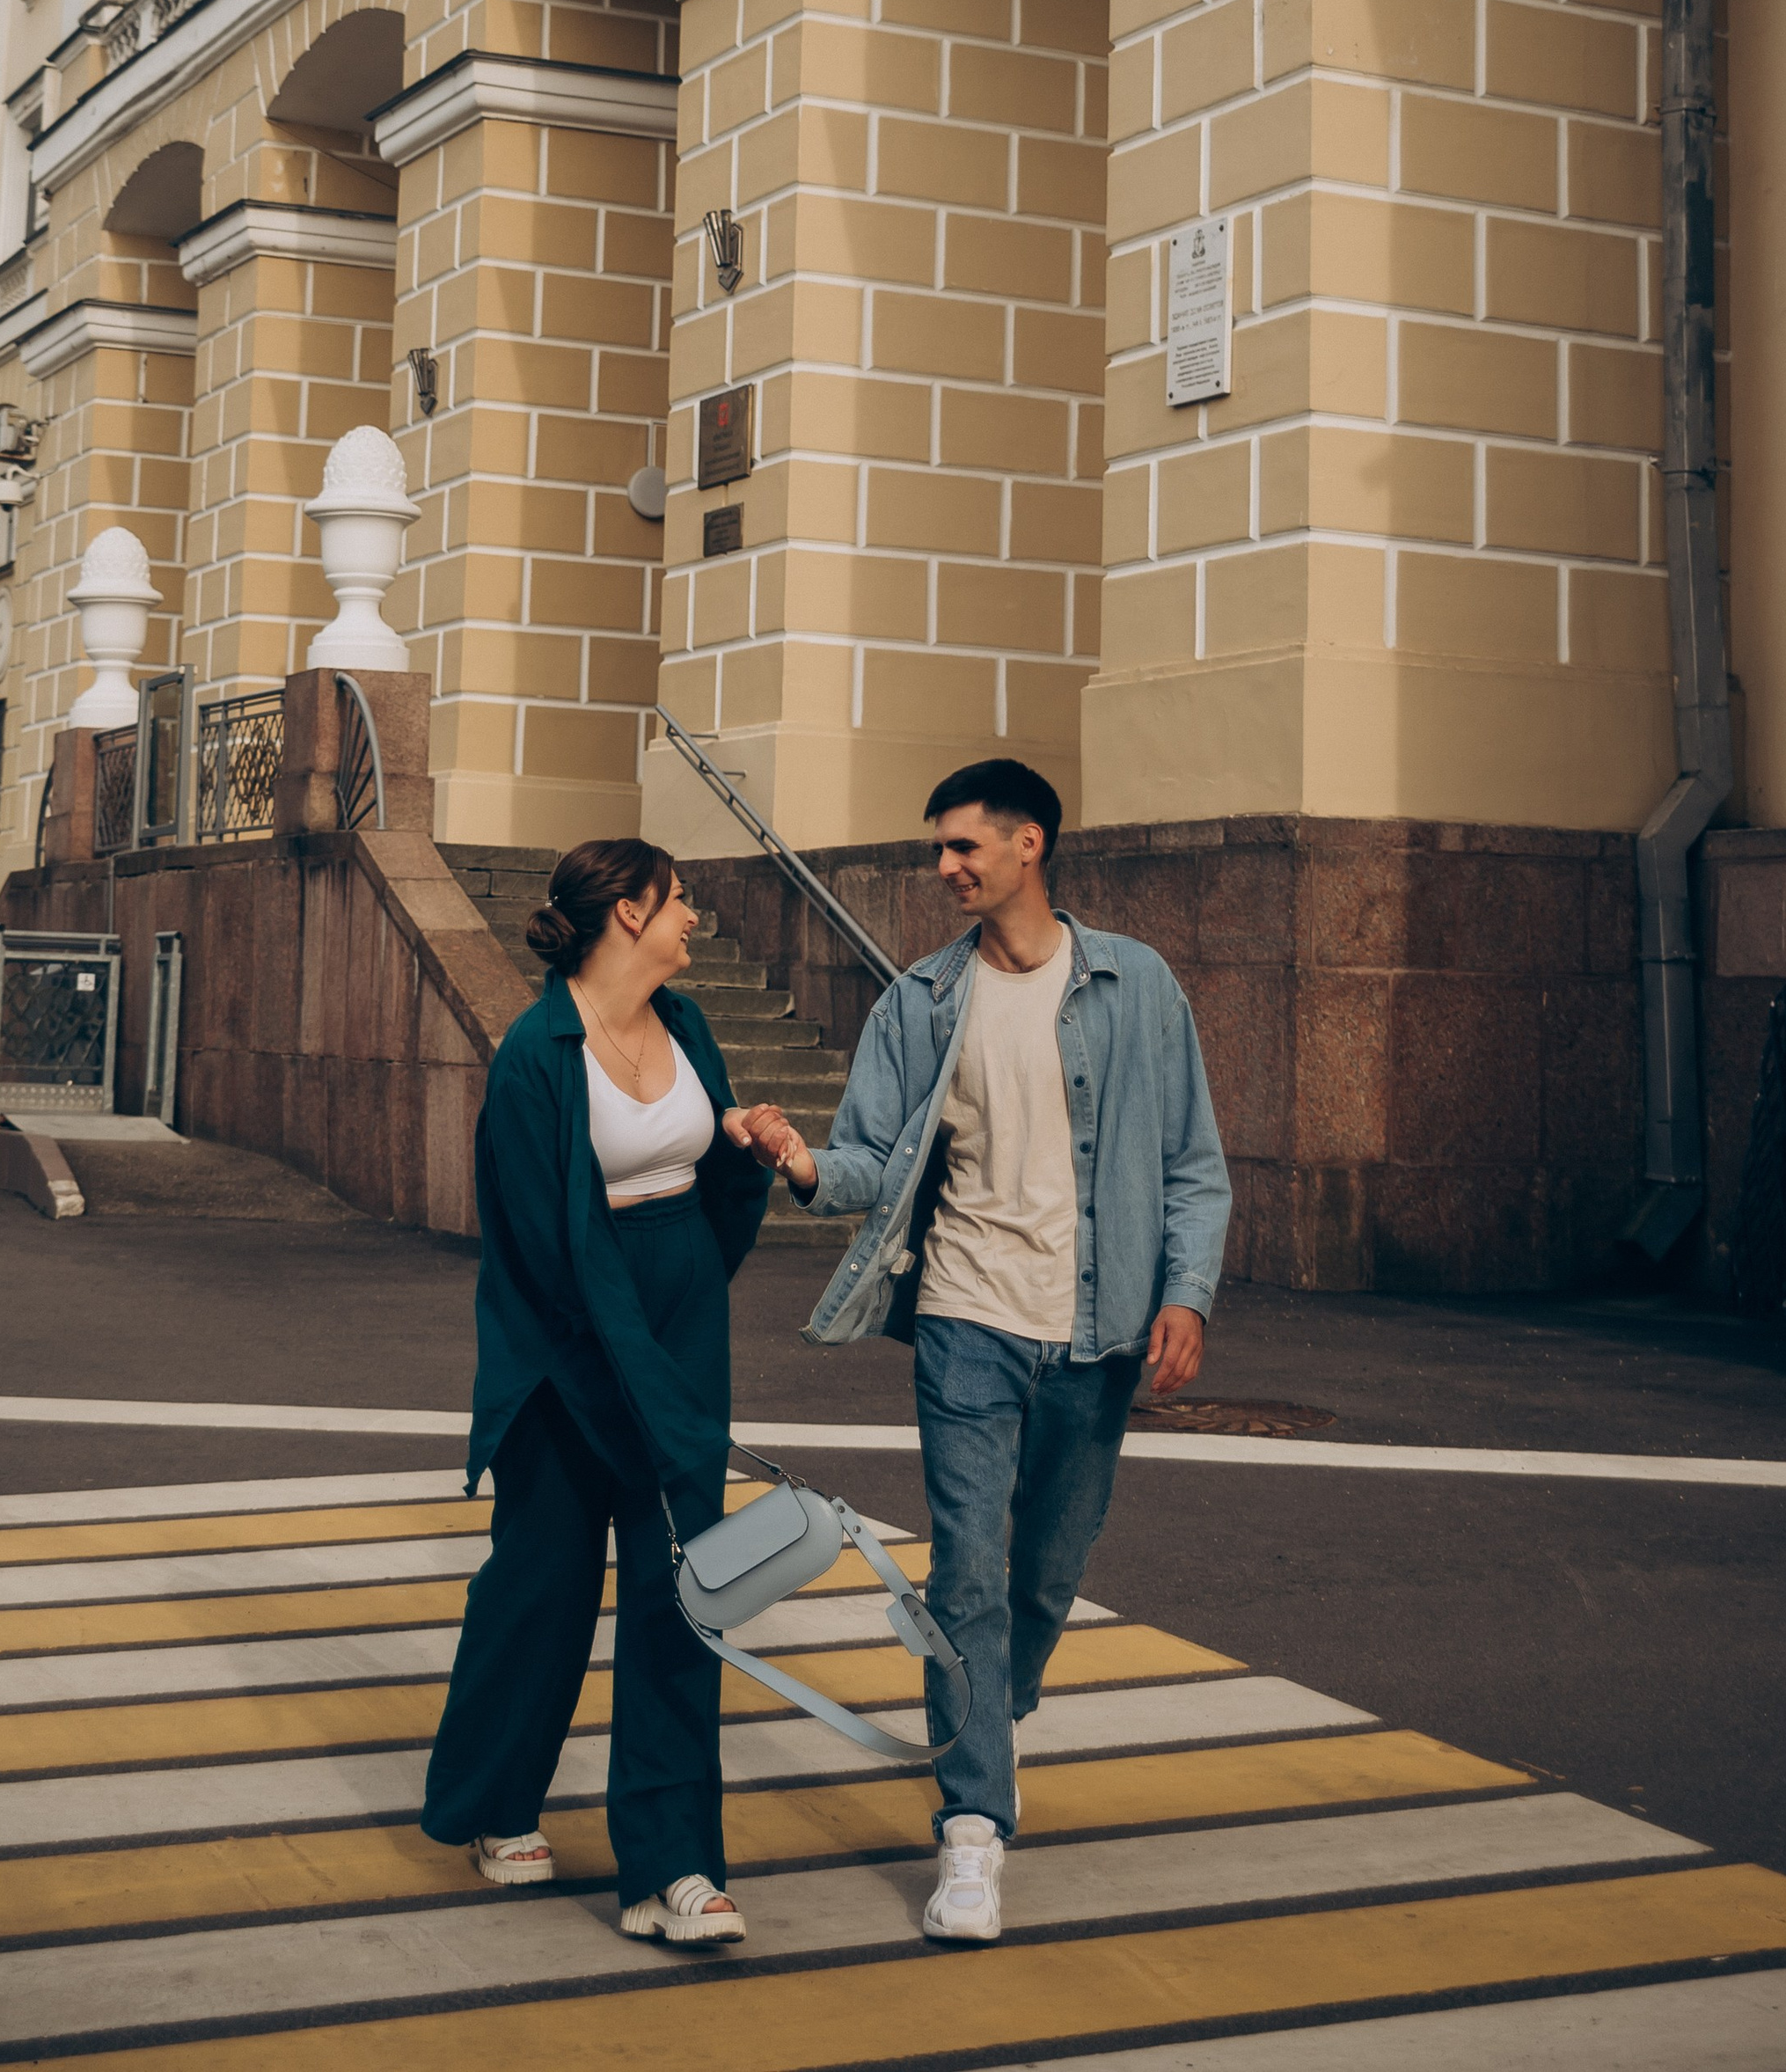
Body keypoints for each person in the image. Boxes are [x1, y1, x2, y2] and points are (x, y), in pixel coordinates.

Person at [736, 758, 1230, 1945]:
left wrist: (1189, 1293)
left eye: (964, 845)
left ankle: (982, 1713)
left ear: (1030, 844)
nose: (946, 867)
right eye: (939, 848)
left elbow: (1192, 1161)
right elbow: (865, 1156)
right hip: (965, 1319)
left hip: (1097, 1328)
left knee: (1047, 1574)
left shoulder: (1136, 982)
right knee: (964, 1573)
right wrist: (804, 1163)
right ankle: (971, 1827)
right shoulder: (920, 999)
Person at [421, 837, 772, 1944]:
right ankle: (496, 1803)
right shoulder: (535, 1054)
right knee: (545, 1586)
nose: (692, 920)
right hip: (565, 1342)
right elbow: (553, 1251)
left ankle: (669, 1869)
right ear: (627, 912)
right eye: (679, 902)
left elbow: (708, 1182)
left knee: (681, 1598)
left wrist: (749, 1151)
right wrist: (647, 1386)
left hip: (676, 1325)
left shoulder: (692, 1028)